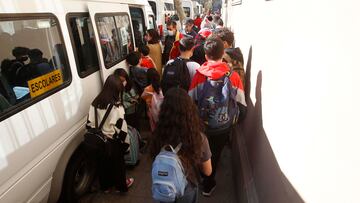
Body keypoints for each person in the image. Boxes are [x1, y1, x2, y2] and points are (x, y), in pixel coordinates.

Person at [188, 37, 246, 197]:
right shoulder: (233, 76)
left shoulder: (199, 75)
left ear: (206, 56)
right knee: (216, 153)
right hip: (223, 125)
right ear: (223, 53)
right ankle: (209, 184)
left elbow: (190, 100)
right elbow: (242, 105)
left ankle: (202, 177)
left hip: (202, 125)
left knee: (202, 151)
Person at [150, 87, 212, 203]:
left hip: (163, 187)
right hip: (186, 189)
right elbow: (208, 171)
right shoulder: (198, 138)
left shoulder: (158, 134)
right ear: (190, 110)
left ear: (164, 110)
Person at [87, 74, 134, 193]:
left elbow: (89, 124)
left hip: (99, 141)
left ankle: (106, 187)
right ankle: (121, 187)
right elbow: (122, 131)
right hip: (113, 142)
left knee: (103, 165)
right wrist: (126, 146)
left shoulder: (95, 103)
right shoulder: (117, 107)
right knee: (118, 166)